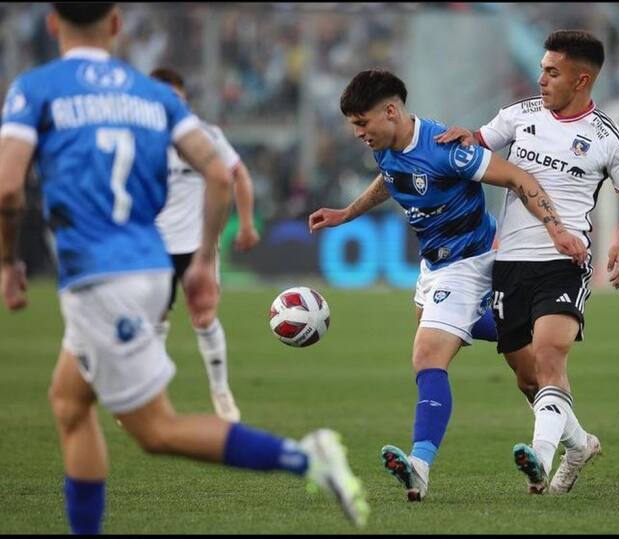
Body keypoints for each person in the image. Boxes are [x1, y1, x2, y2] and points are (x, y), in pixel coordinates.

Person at [0, 4, 367, 533]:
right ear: (116, 24)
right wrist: (200, 263)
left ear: (53, 23)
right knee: (68, 402)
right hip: (146, 264)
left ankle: (308, 458)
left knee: (155, 430)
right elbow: (218, 174)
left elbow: (10, 187)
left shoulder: (34, 87)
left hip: (103, 277)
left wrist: (10, 261)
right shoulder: (151, 95)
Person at [308, 69, 586, 501]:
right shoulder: (385, 145)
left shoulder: (446, 151)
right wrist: (348, 213)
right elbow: (391, 178)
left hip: (469, 263)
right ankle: (579, 441)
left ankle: (419, 466)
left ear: (391, 111)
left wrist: (556, 231)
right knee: (528, 377)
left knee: (427, 354)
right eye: (354, 126)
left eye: (363, 123)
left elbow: (518, 179)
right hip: (433, 266)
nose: (359, 133)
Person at [436, 29, 619, 495]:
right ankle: (579, 444)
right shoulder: (519, 116)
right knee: (528, 377)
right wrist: (460, 137)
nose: (541, 79)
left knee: (550, 357)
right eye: (541, 69)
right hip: (509, 262)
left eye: (552, 72)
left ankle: (539, 455)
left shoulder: (608, 138)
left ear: (582, 79)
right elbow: (476, 143)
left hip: (564, 260)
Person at [150, 66, 260, 422]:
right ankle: (150, 395)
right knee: (153, 320)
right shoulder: (141, 137)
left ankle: (220, 390)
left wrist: (245, 222)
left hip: (198, 244)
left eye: (175, 97)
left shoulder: (204, 134)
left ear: (183, 98)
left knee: (204, 316)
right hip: (153, 243)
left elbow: (237, 174)